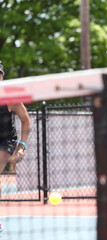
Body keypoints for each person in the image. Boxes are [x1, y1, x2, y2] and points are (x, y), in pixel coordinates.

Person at [0, 61, 31, 232]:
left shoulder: (11, 97)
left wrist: (22, 146)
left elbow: (25, 120)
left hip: (6, 141)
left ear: (2, 76)